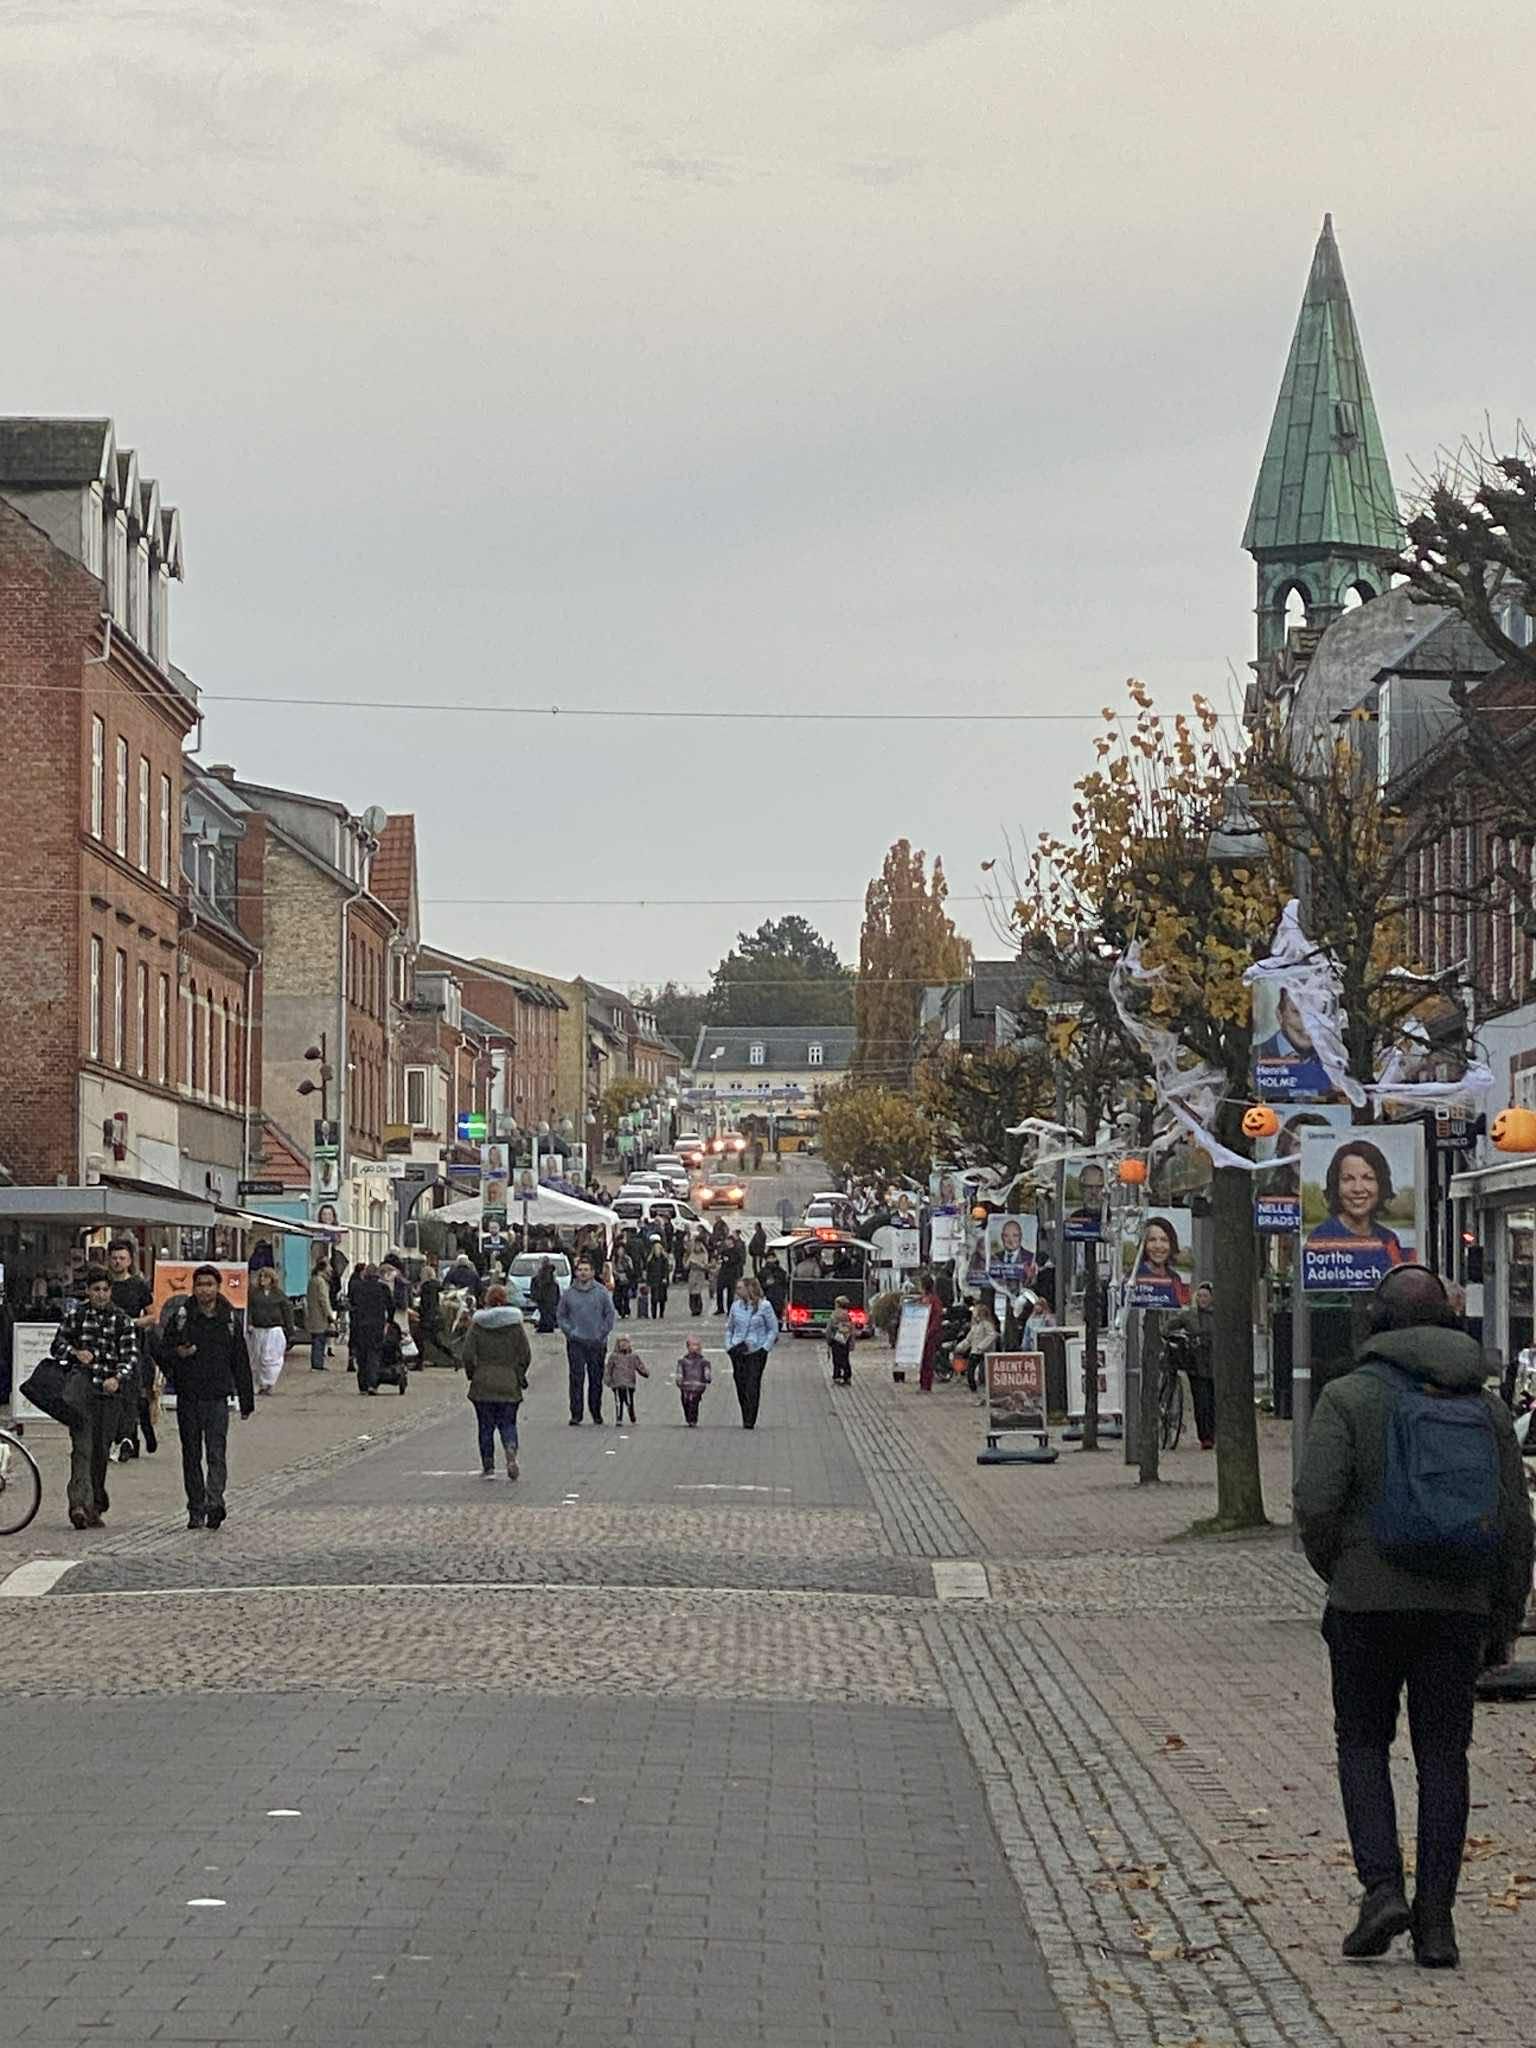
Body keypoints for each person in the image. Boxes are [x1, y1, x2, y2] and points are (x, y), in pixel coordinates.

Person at [1295, 1264, 1532, 1970]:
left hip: (1365, 1605)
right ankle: (1437, 1925)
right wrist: (1503, 1619)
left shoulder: (1347, 1396)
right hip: (1457, 1607)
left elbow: (1315, 1502)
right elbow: (1516, 1525)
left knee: (1363, 1744)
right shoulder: (1485, 1407)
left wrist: (1342, 1571)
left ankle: (1381, 1890)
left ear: (1377, 1321)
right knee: (1444, 1759)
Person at [163, 1265, 255, 1530]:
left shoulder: (228, 1319)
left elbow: (240, 1360)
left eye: (209, 1284)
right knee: (191, 1455)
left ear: (218, 1287)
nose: (204, 1290)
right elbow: (163, 1350)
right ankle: (196, 1508)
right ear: (193, 1287)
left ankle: (215, 1502)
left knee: (216, 1452)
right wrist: (178, 1354)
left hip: (217, 1396)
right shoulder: (182, 1317)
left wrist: (246, 1399)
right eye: (200, 1284)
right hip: (189, 1396)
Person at [49, 1267, 137, 1529]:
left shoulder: (122, 1320)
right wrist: (75, 1353)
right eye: (96, 1289)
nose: (101, 1294)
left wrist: (117, 1378)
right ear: (87, 1291)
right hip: (81, 1391)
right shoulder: (76, 1316)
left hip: (108, 1394)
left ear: (111, 1291)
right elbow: (57, 1346)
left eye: (105, 1290)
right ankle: (78, 1504)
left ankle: (95, 1504)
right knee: (82, 1448)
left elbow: (131, 1357)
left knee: (100, 1451)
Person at [1303, 1139, 1407, 1283]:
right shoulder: (1320, 1238)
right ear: (1336, 1186)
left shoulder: (1388, 1238)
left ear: (1381, 1184)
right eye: (1348, 1179)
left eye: (1368, 1178)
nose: (1358, 1188)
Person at [459, 1282, 531, 1480]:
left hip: (483, 1381)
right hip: (508, 1381)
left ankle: (488, 1466)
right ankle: (510, 1448)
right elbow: (525, 1354)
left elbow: (467, 1354)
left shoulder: (478, 1325)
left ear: (487, 1301)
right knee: (508, 1423)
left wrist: (472, 1374)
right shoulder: (515, 1326)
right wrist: (518, 1374)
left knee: (485, 1426)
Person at [106, 1238, 156, 1459]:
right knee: (114, 1396)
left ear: (129, 1261)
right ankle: (127, 1438)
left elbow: (153, 1315)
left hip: (133, 1346)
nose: (117, 1262)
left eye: (122, 1258)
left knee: (130, 1394)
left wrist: (133, 1323)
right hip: (108, 1347)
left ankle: (127, 1440)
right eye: (114, 1258)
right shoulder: (104, 1285)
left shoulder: (138, 1285)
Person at [557, 1255, 615, 1425]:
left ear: (592, 1272)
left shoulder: (601, 1292)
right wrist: (570, 1331)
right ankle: (576, 1414)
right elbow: (561, 1315)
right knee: (576, 1378)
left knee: (596, 1379)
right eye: (580, 1270)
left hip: (597, 1342)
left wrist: (601, 1333)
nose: (583, 1273)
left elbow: (609, 1315)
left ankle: (596, 1411)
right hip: (576, 1342)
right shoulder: (569, 1294)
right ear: (576, 1273)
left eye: (586, 1270)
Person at [724, 1275, 778, 1429]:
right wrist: (729, 1346)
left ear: (749, 1289)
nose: (737, 1291)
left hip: (756, 1350)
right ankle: (744, 1412)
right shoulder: (736, 1306)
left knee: (752, 1383)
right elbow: (730, 1328)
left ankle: (750, 1419)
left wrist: (765, 1348)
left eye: (740, 1288)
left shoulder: (765, 1306)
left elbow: (773, 1329)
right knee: (740, 1383)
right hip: (738, 1349)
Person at [1167, 1282, 1216, 1448]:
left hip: (1215, 1364)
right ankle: (1205, 1437)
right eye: (1200, 1296)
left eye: (1205, 1296)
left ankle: (1213, 1433)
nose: (1202, 1299)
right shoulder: (1189, 1316)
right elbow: (1169, 1326)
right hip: (1196, 1364)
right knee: (1201, 1401)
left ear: (1211, 1298)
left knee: (1213, 1401)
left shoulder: (1218, 1316)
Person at [246, 1266, 296, 1395]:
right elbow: (250, 1310)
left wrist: (290, 1331)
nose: (262, 1279)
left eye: (265, 1277)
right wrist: (249, 1323)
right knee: (257, 1358)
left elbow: (287, 1312)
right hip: (258, 1329)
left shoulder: (279, 1294)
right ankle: (258, 1383)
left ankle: (269, 1382)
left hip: (274, 1330)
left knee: (271, 1358)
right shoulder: (254, 1294)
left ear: (271, 1279)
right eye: (261, 1276)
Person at [348, 1263, 393, 1395]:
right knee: (374, 1353)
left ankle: (362, 1385)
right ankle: (372, 1384)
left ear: (365, 1275)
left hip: (360, 1324)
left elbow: (352, 1303)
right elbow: (391, 1306)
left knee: (361, 1354)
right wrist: (389, 1321)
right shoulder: (383, 1288)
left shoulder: (358, 1287)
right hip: (377, 1325)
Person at [1130, 1218, 1190, 1309]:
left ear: (1171, 1244)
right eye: (1152, 1240)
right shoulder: (1133, 1277)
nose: (1158, 1246)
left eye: (1164, 1240)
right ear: (1144, 1245)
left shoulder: (1175, 1278)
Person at [954, 1299, 999, 1398]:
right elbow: (969, 1339)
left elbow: (992, 1335)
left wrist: (981, 1346)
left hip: (983, 1352)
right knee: (970, 1371)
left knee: (982, 1371)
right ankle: (974, 1389)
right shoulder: (975, 1326)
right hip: (975, 1351)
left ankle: (982, 1390)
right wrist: (960, 1347)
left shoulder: (986, 1324)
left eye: (975, 1311)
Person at [605, 1335, 650, 1424]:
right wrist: (607, 1379)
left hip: (629, 1383)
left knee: (629, 1401)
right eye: (621, 1342)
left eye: (626, 1342)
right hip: (617, 1383)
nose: (624, 1344)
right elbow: (609, 1368)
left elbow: (639, 1366)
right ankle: (619, 1418)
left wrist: (645, 1372)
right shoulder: (613, 1356)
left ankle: (631, 1415)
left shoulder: (633, 1356)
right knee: (618, 1402)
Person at [675, 1333, 712, 1426]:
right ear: (688, 1347)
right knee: (685, 1401)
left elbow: (707, 1371)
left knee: (695, 1402)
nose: (695, 1348)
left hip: (698, 1385)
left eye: (697, 1345)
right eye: (693, 1345)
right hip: (685, 1385)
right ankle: (689, 1417)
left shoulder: (704, 1362)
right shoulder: (682, 1361)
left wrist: (707, 1377)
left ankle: (693, 1419)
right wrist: (679, 1379)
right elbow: (680, 1371)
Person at [826, 1297, 855, 1386]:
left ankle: (837, 1376)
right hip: (845, 1339)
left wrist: (829, 1340)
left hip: (836, 1340)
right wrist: (851, 1342)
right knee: (845, 1358)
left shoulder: (834, 1315)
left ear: (838, 1304)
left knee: (836, 1359)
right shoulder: (847, 1315)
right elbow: (852, 1329)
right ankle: (847, 1376)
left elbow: (829, 1329)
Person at [529, 1257, 561, 1335]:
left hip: (544, 1296)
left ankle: (545, 1326)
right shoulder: (550, 1272)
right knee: (548, 1312)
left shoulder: (542, 1273)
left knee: (544, 1312)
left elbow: (539, 1283)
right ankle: (548, 1326)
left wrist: (535, 1295)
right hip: (550, 1295)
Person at [645, 1238, 670, 1320]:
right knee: (654, 1298)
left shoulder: (664, 1259)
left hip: (662, 1281)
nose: (657, 1251)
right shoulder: (650, 1259)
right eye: (655, 1249)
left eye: (658, 1249)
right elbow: (648, 1271)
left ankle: (661, 1313)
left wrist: (665, 1278)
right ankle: (654, 1314)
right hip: (654, 1280)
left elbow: (666, 1269)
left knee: (662, 1298)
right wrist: (648, 1282)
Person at [686, 1238, 710, 1318]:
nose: (697, 1247)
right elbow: (686, 1265)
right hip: (692, 1273)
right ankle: (693, 1308)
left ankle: (698, 1308)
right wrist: (689, 1262)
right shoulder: (692, 1254)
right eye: (696, 1245)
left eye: (699, 1245)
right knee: (691, 1291)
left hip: (700, 1274)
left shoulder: (704, 1254)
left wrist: (699, 1264)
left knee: (697, 1291)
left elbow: (706, 1265)